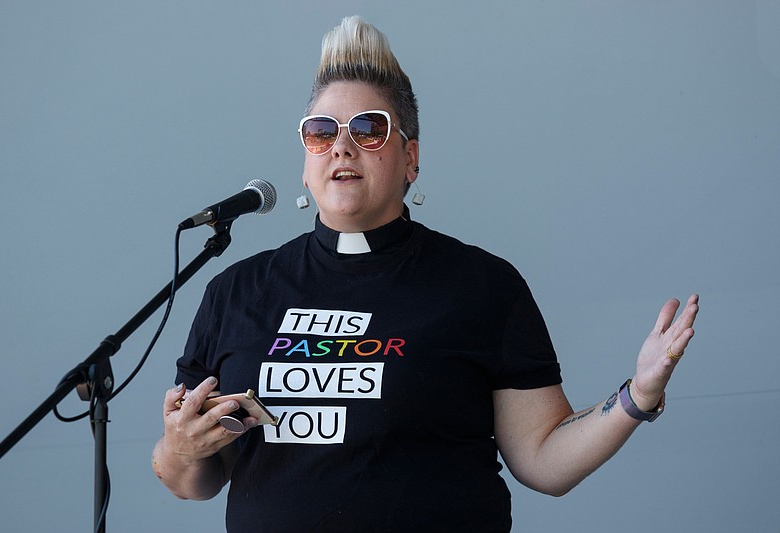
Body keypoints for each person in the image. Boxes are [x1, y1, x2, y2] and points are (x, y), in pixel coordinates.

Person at [151, 16, 699, 532]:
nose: (341, 144)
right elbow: (191, 479)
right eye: (321, 131)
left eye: (368, 129)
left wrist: (636, 397)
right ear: (306, 160)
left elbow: (543, 460)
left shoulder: (482, 286)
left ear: (411, 160)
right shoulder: (237, 291)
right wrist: (180, 449)